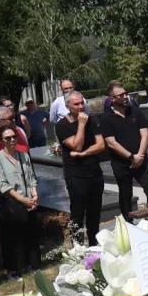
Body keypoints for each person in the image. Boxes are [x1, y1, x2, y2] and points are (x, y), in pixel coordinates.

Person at [102, 81, 148, 220]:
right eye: (121, 95)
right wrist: (130, 157)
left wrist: (139, 156)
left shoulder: (136, 112)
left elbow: (145, 135)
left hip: (141, 160)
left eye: (126, 93)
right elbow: (111, 142)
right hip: (121, 163)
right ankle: (128, 224)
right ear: (112, 99)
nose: (125, 96)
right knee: (125, 194)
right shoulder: (106, 118)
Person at [57, 90, 107, 245]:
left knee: (94, 212)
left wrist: (84, 154)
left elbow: (101, 145)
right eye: (76, 104)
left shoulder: (92, 120)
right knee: (78, 213)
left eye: (82, 103)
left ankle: (94, 244)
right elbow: (76, 146)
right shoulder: (62, 126)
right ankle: (77, 248)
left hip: (94, 172)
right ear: (68, 106)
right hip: (76, 174)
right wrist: (81, 125)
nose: (80, 107)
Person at [0, 127, 40, 278]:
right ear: (1, 141)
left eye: (14, 137)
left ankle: (33, 265)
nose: (12, 140)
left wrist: (34, 194)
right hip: (11, 203)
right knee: (13, 239)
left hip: (28, 200)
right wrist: (21, 199)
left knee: (31, 235)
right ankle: (14, 269)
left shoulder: (23, 155)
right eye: (8, 138)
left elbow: (31, 177)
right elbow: (2, 185)